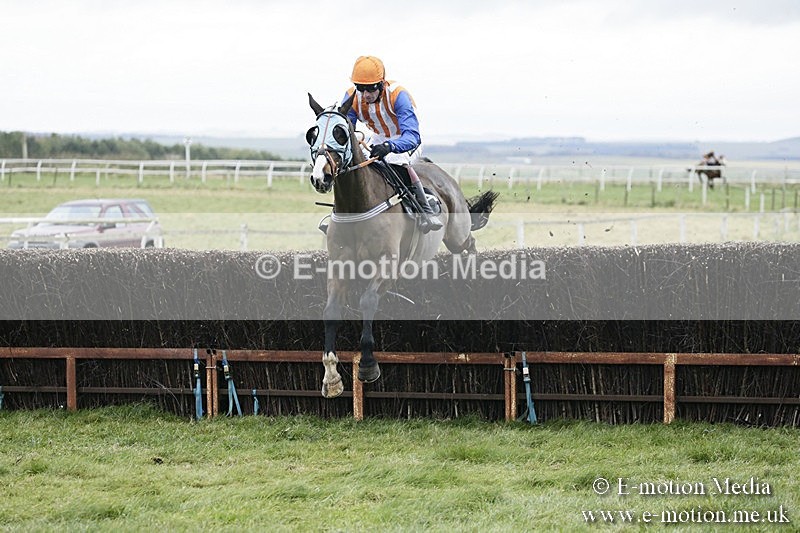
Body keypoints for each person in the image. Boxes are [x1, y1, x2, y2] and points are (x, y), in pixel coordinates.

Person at [342, 55, 442, 232]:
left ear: (381, 84)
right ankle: (343, 213)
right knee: (355, 165)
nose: (365, 95)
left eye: (370, 89)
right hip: (378, 137)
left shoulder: (398, 95)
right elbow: (346, 127)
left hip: (405, 139)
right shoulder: (352, 96)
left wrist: (390, 147)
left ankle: (425, 209)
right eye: (360, 88)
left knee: (396, 160)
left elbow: (412, 135)